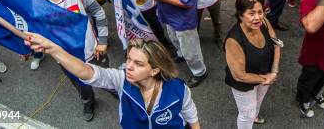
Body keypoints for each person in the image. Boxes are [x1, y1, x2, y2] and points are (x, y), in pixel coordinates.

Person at [25, 35, 200, 128]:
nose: (128, 67)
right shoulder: (121, 79)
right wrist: (52, 48)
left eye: (138, 64)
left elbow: (190, 114)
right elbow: (86, 72)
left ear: (154, 70)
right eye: (129, 59)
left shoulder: (178, 89)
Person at [33, 0, 109, 120]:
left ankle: (114, 90)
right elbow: (35, 32)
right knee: (82, 85)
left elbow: (98, 11)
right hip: (67, 58)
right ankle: (88, 101)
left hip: (94, 50)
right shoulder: (36, 4)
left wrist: (102, 40)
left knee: (106, 76)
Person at [225, 0, 281, 128]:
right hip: (244, 83)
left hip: (266, 74)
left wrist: (273, 72)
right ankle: (251, 117)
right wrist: (265, 79)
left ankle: (254, 115)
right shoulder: (234, 40)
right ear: (240, 15)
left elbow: (276, 44)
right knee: (246, 115)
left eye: (260, 12)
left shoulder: (264, 22)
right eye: (251, 13)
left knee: (258, 99)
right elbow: (239, 76)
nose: (257, 18)